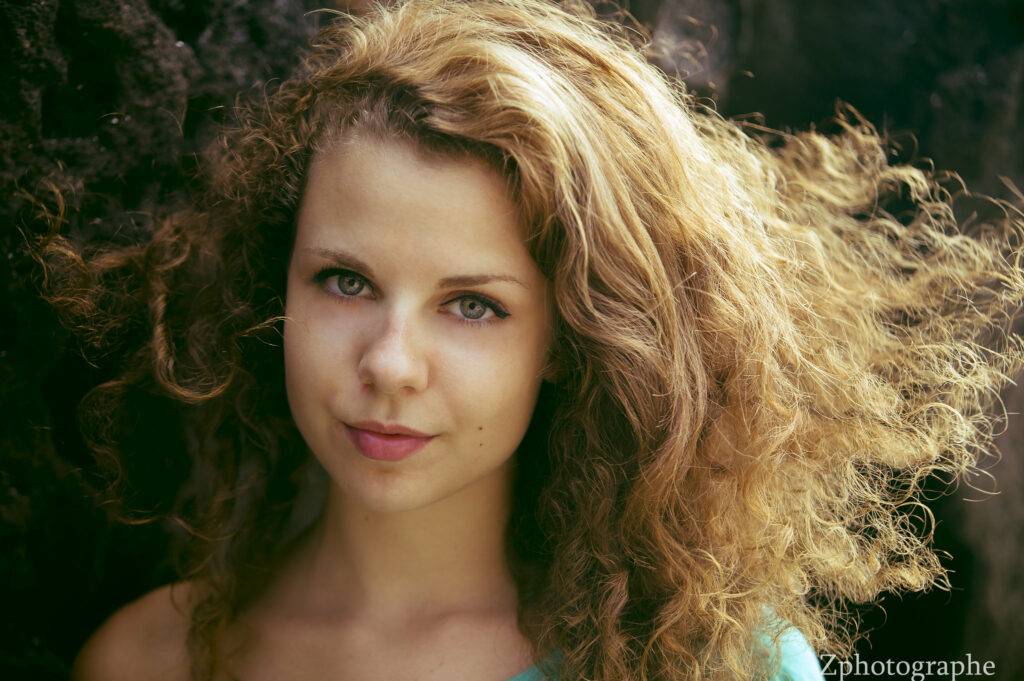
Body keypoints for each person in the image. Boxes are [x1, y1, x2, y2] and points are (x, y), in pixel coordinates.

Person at [37, 0, 1024, 679]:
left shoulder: (710, 666)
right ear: (274, 286)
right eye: (345, 281)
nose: (388, 362)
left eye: (473, 304)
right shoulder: (147, 662)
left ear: (572, 334)